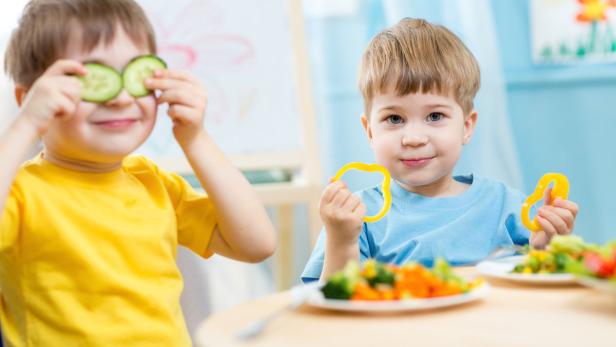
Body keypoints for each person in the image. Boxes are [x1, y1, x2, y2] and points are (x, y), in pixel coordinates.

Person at [0, 0, 276, 345]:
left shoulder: (152, 182)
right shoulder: (20, 192)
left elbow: (257, 244)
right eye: (90, 79)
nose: (118, 99)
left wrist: (196, 139)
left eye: (135, 74)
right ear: (31, 99)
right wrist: (23, 123)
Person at [301, 18, 578, 282]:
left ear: (466, 127)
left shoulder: (506, 206)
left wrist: (547, 248)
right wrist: (341, 240)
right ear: (370, 131)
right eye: (394, 119)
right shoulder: (355, 218)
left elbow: (541, 292)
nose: (413, 138)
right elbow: (331, 306)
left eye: (434, 116)